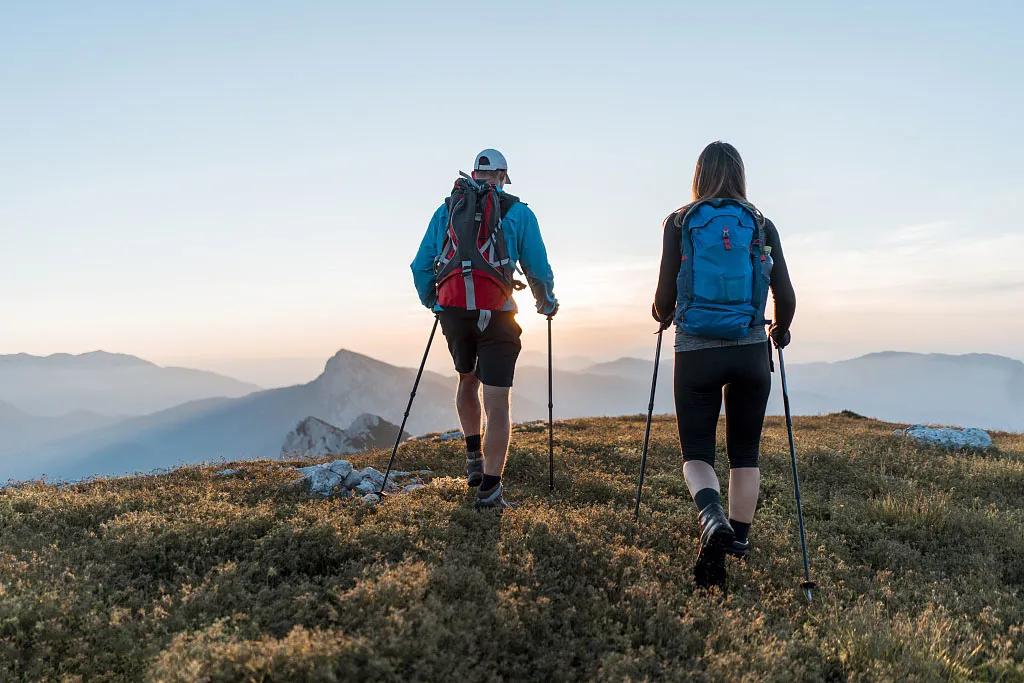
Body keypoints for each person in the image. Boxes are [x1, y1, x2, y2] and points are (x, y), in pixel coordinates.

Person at [652, 141, 796, 587]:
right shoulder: (760, 223)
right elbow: (785, 297)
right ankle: (737, 541)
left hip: (695, 352)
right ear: (740, 175)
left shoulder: (680, 223)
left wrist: (663, 315)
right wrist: (780, 330)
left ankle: (711, 517)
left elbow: (662, 300)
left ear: (698, 175)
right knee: (744, 452)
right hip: (750, 349)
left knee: (696, 453)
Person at [411, 149, 558, 509]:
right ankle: (490, 491)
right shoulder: (519, 213)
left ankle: (473, 458)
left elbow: (420, 265)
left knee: (466, 379)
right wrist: (545, 301)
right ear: (503, 177)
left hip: (454, 312)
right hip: (498, 313)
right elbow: (536, 267)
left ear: (474, 174)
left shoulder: (447, 209)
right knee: (498, 401)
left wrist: (435, 301)